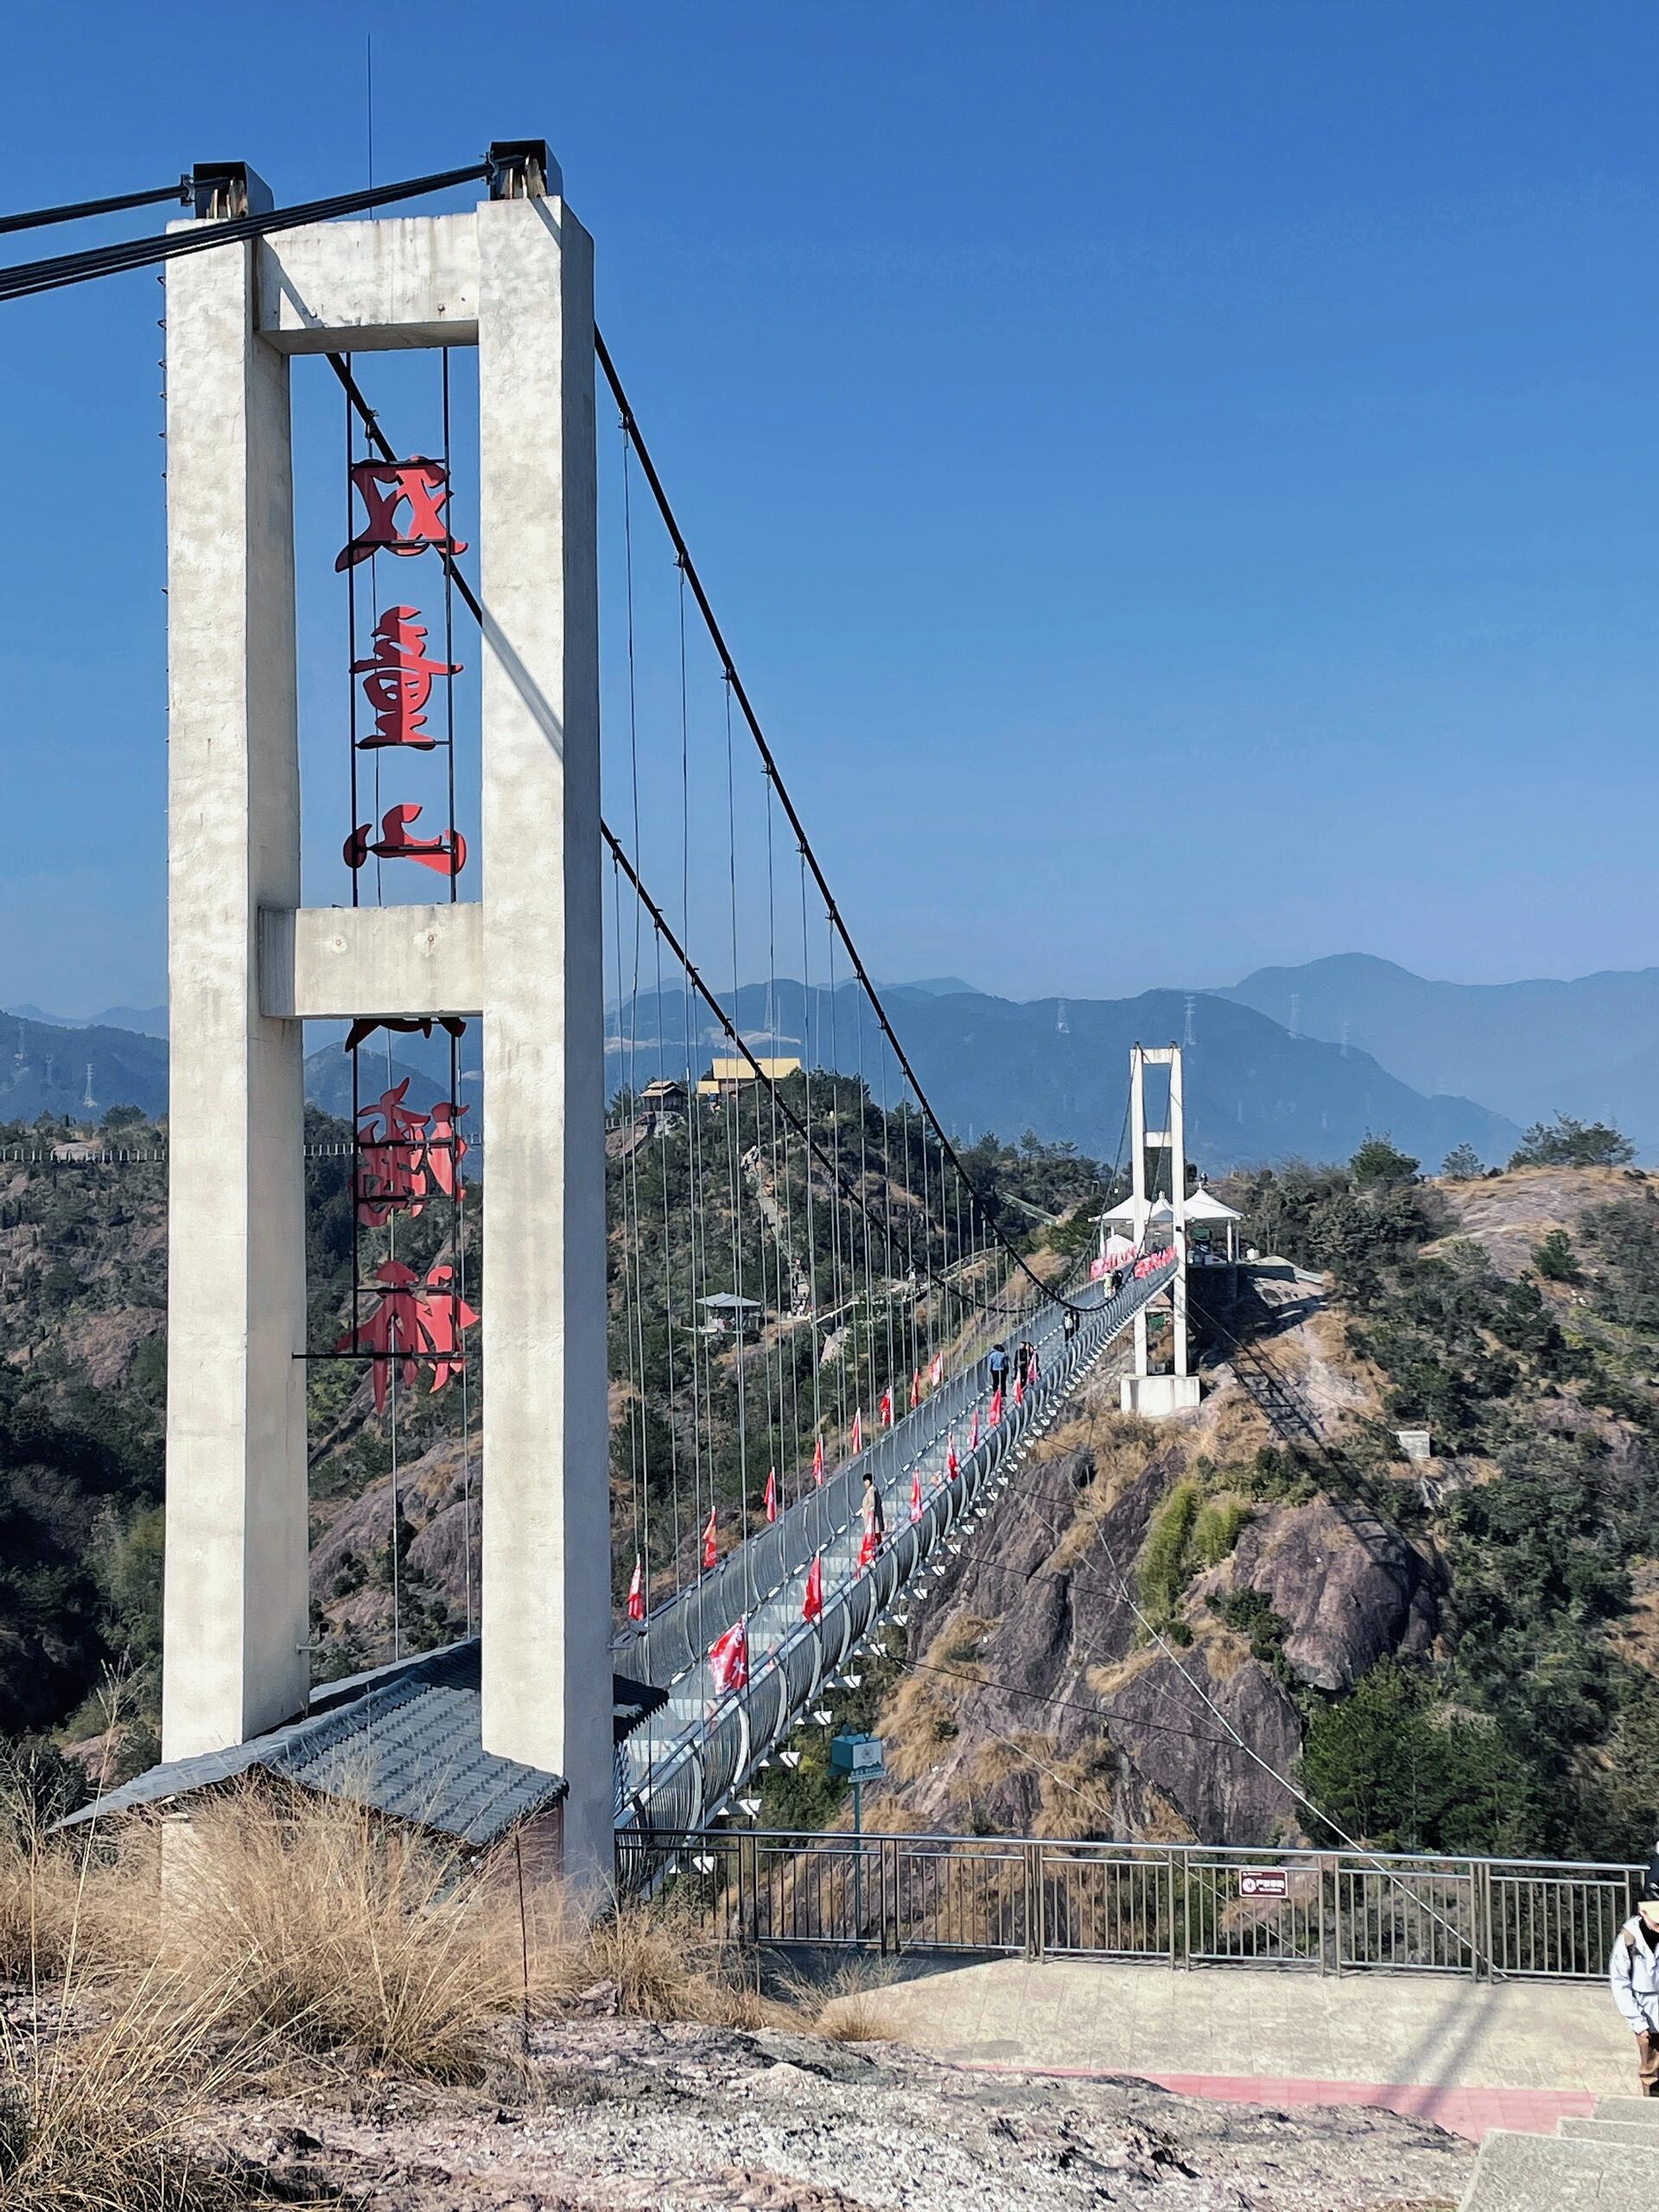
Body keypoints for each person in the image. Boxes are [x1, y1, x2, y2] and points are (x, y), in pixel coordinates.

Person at [1609, 1869, 1659, 2095]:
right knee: (1650, 2072)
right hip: (1646, 2016)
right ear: (1642, 1911)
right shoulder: (1628, 1939)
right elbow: (1620, 1982)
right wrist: (1637, 2022)